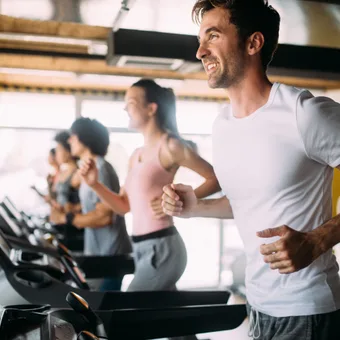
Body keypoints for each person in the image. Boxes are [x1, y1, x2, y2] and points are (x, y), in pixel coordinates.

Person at [161, 1, 340, 339]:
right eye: (200, 39)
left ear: (253, 43)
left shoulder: (304, 113)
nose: (200, 51)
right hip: (257, 308)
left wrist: (319, 240)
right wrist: (195, 207)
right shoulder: (223, 125)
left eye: (213, 36)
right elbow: (247, 203)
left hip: (307, 311)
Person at [79, 79, 221, 293]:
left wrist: (181, 201)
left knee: (129, 309)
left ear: (151, 109)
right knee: (159, 317)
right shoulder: (135, 155)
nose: (125, 108)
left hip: (162, 248)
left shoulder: (170, 146)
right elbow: (123, 206)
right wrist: (95, 184)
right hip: (141, 248)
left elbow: (215, 179)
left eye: (132, 103)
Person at [50, 118, 132, 291]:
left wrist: (67, 218)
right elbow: (94, 204)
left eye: (73, 136)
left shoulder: (101, 169)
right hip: (98, 249)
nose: (70, 140)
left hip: (110, 253)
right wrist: (72, 209)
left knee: (106, 307)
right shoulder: (89, 168)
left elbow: (104, 217)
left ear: (85, 139)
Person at [52, 131, 80, 212]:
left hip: (71, 221)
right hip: (60, 220)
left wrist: (73, 208)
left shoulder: (77, 174)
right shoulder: (63, 172)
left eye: (59, 149)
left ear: (68, 151)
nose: (56, 153)